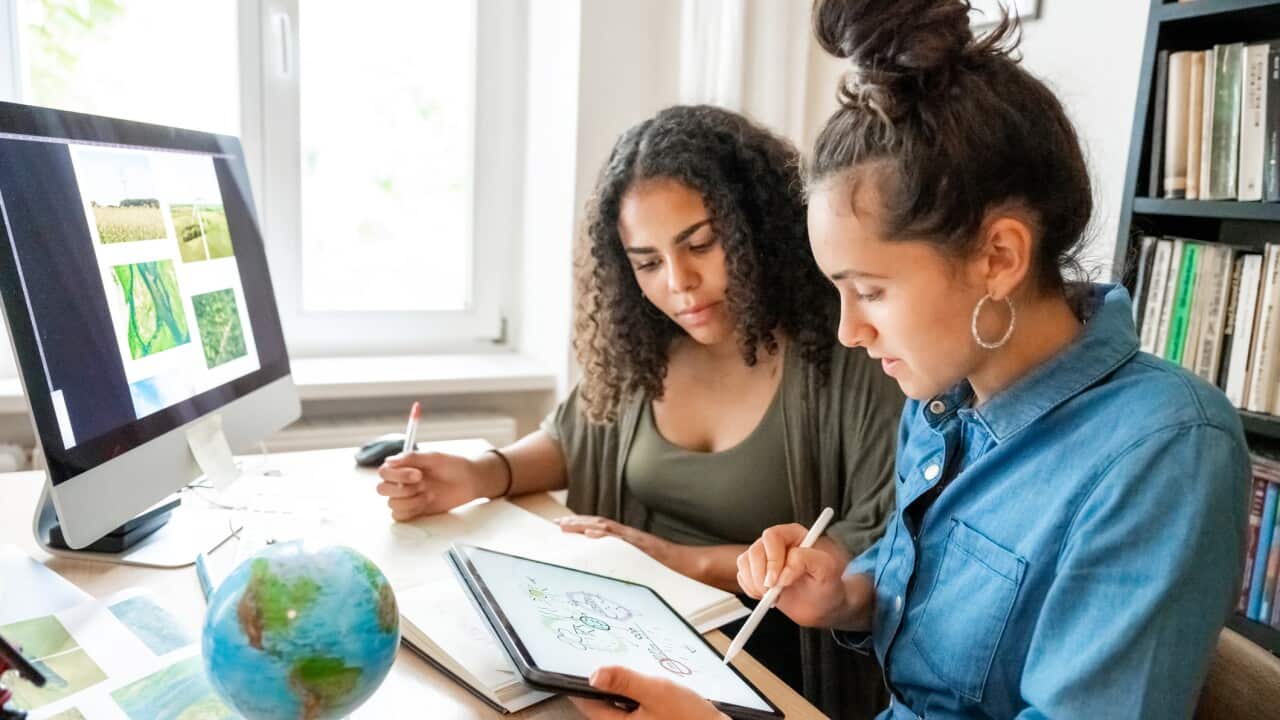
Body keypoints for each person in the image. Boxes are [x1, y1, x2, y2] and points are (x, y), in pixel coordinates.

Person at [570, 2, 1251, 719]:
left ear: (999, 256)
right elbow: (919, 599)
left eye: (870, 291)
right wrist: (843, 592)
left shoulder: (1164, 449)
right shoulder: (940, 405)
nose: (848, 330)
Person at [376, 104, 904, 717]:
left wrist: (665, 559)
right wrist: (478, 473)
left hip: (763, 666)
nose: (678, 283)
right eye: (647, 262)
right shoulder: (647, 348)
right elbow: (573, 438)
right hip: (634, 626)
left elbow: (868, 551)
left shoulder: (849, 358)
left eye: (701, 245)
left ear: (755, 227)